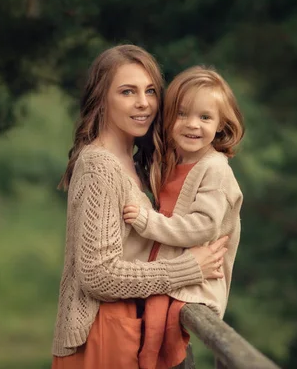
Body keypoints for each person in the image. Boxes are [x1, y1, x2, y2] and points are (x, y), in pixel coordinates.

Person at [52, 46, 229, 369]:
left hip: (125, 324)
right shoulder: (100, 166)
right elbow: (98, 275)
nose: (144, 103)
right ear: (101, 99)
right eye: (127, 92)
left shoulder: (132, 162)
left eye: (150, 91)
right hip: (104, 331)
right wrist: (188, 268)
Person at [123, 65, 245, 368]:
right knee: (145, 329)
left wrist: (146, 221)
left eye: (205, 117)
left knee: (161, 336)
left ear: (220, 124)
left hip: (196, 280)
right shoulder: (172, 162)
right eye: (182, 114)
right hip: (170, 271)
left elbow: (201, 229)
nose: (192, 125)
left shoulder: (215, 171)